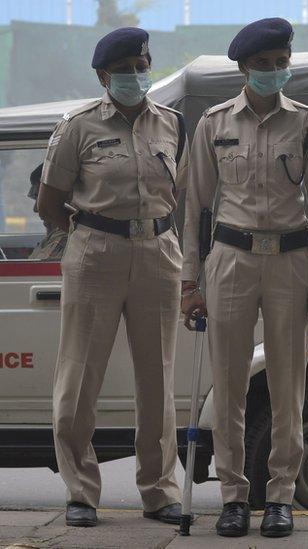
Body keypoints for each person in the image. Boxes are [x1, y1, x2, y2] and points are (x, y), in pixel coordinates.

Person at [179, 17, 308, 538]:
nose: (274, 72)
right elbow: (196, 207)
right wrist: (189, 281)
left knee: (290, 384)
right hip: (231, 258)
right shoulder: (213, 124)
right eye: (264, 65)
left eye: (281, 63)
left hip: (291, 261)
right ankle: (233, 495)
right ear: (244, 67)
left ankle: (281, 497)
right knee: (229, 383)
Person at [37, 27, 186, 528]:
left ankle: (159, 490)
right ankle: (81, 491)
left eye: (141, 64)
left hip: (159, 252)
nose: (134, 75)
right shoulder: (77, 127)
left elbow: (179, 195)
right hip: (95, 253)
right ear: (103, 76)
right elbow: (49, 203)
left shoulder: (172, 123)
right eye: (123, 69)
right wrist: (92, 235)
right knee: (79, 375)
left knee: (158, 378)